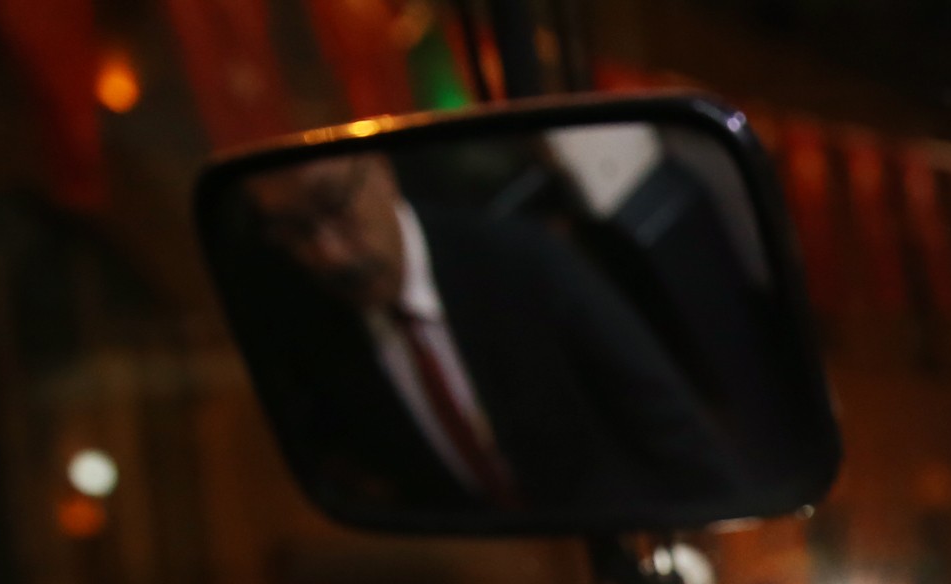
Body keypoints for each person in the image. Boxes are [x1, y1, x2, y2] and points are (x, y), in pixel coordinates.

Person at [230, 150, 738, 520]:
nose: (329, 253)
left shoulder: (522, 262)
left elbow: (669, 423)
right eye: (293, 230)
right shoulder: (307, 331)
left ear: (382, 171)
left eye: (335, 205)